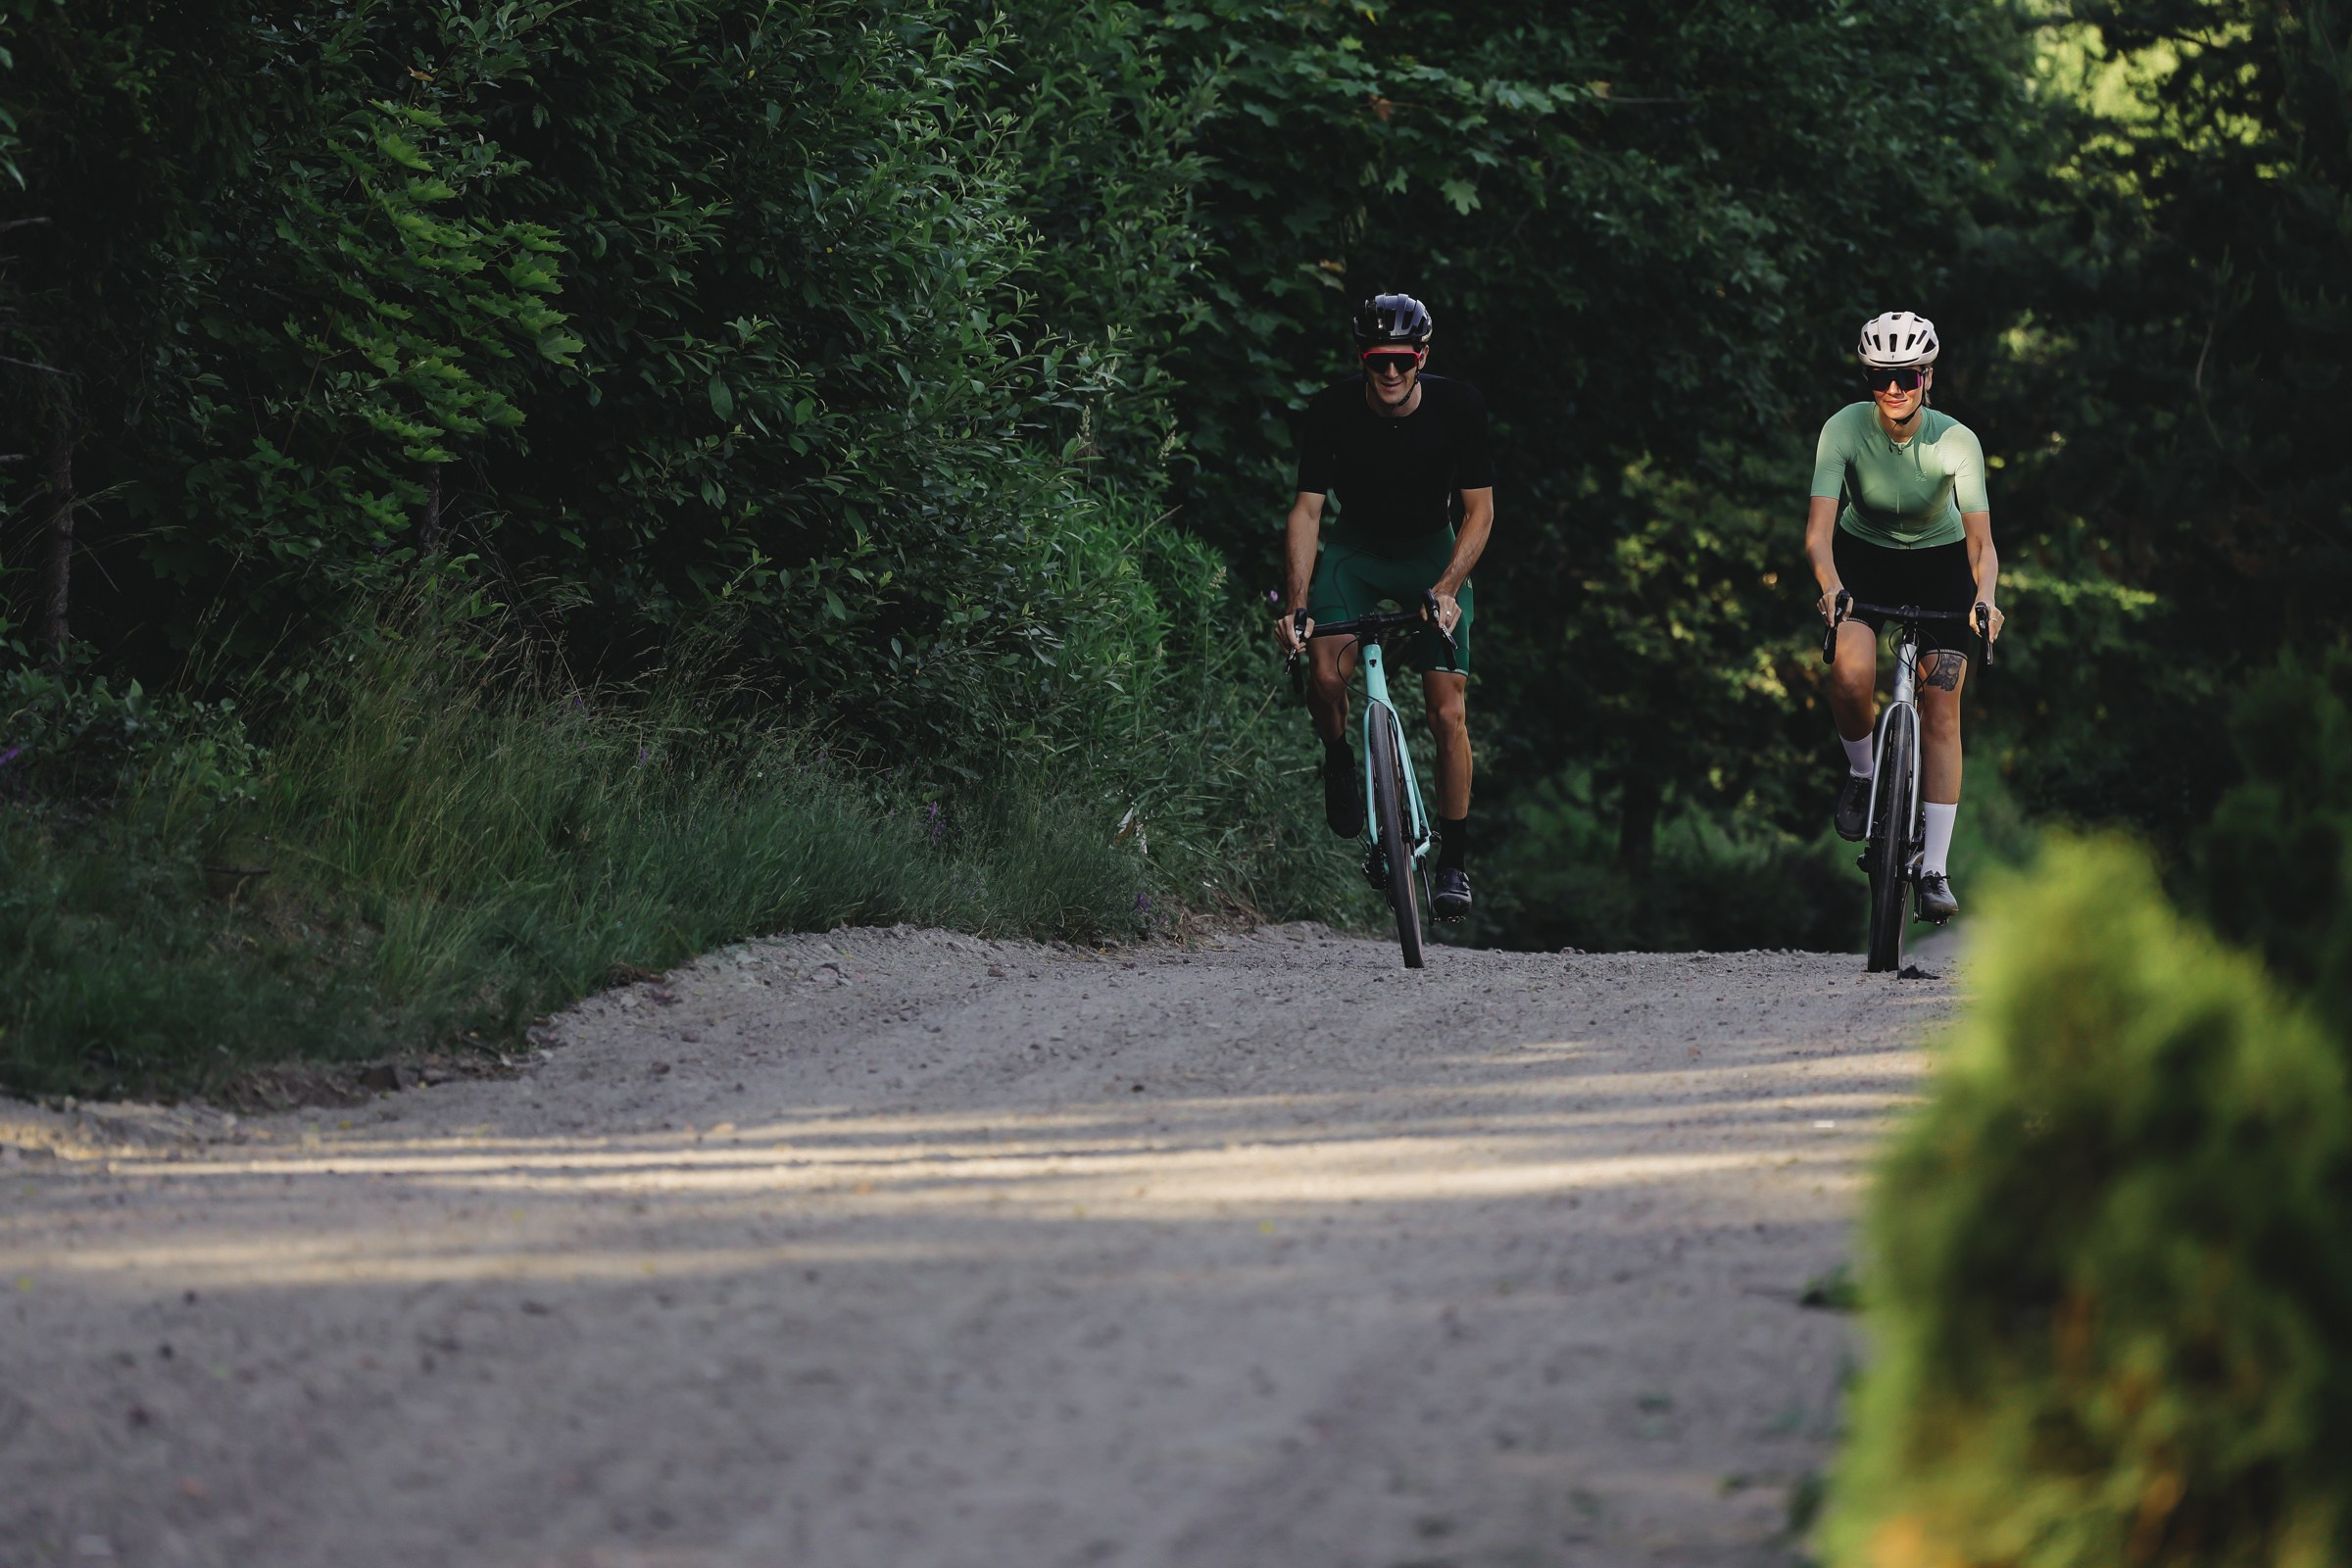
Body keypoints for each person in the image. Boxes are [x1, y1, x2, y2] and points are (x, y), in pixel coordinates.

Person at [1276, 292, 1494, 921]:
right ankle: (1340, 758)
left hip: (1432, 555)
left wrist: (1447, 588)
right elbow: (1308, 511)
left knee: (1447, 711)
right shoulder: (1332, 409)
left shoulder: (1459, 406)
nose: (1391, 371)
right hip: (1358, 552)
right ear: (1362, 359)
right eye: (1378, 360)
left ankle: (1453, 862)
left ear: (1422, 356)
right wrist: (1297, 606)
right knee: (1323, 675)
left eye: (1403, 359)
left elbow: (1480, 512)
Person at [1806, 310, 2005, 922]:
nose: (1894, 389)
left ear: (1928, 378)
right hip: (1863, 557)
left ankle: (1935, 870)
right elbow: (1817, 536)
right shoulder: (1842, 429)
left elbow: (1981, 545)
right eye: (1880, 378)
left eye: (1908, 377)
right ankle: (1864, 774)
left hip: (1940, 562)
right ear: (1867, 380)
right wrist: (1831, 587)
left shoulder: (1956, 441)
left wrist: (1985, 597)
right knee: (1849, 672)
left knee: (1942, 704)